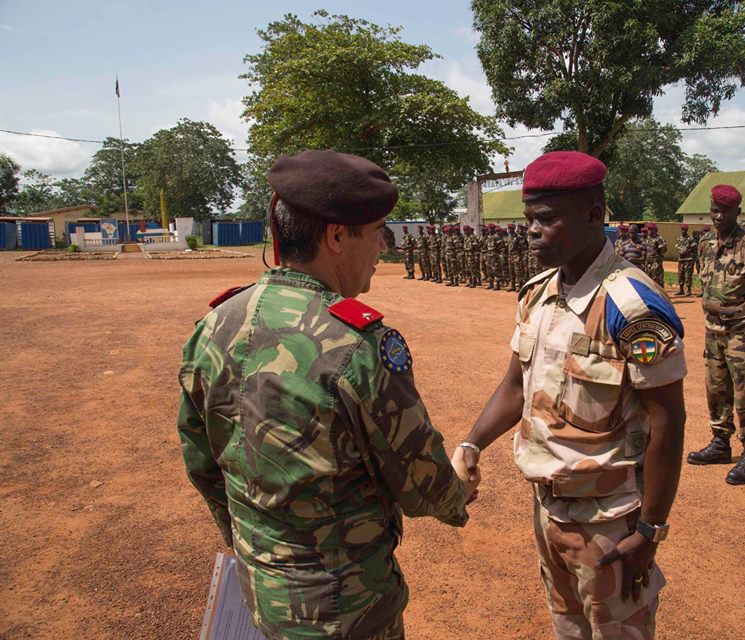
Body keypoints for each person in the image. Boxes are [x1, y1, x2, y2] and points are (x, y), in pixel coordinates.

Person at [177, 149, 478, 639]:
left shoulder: (215, 324)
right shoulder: (356, 344)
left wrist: (254, 546)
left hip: (263, 593)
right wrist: (460, 490)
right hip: (346, 609)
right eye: (378, 231)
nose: (383, 247)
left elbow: (202, 461)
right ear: (337, 236)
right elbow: (423, 485)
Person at [455, 150, 686, 639]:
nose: (532, 231)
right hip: (549, 509)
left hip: (611, 523)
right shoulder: (537, 294)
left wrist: (651, 530)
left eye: (546, 219)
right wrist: (472, 443)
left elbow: (668, 420)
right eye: (528, 219)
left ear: (593, 215)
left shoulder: (632, 306)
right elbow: (516, 384)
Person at [687, 184, 745, 485]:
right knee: (716, 388)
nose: (718, 215)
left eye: (725, 211)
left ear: (737, 212)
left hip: (742, 332)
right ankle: (720, 443)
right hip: (713, 331)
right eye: (715, 209)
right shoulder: (706, 243)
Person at [675, 224, 697, 296]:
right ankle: (681, 290)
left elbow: (694, 248)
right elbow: (677, 247)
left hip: (688, 259)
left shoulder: (690, 239)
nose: (683, 231)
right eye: (682, 229)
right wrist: (681, 252)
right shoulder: (679, 239)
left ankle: (688, 290)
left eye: (684, 230)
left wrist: (687, 251)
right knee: (680, 274)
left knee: (688, 275)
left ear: (687, 230)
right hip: (681, 259)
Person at [644, 223, 667, 287]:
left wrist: (661, 248)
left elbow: (664, 250)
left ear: (655, 230)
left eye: (651, 229)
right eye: (649, 229)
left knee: (657, 279)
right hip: (648, 262)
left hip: (656, 262)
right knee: (648, 278)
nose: (650, 231)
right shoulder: (647, 238)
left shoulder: (659, 239)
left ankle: (660, 294)